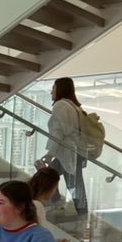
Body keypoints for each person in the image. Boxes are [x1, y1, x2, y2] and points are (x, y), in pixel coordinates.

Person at [38, 77, 87, 217]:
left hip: (67, 151)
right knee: (75, 184)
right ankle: (81, 213)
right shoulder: (74, 106)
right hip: (75, 150)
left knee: (45, 176)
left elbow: (58, 132)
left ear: (60, 89)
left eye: (53, 88)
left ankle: (60, 204)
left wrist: (50, 154)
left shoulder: (60, 105)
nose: (51, 92)